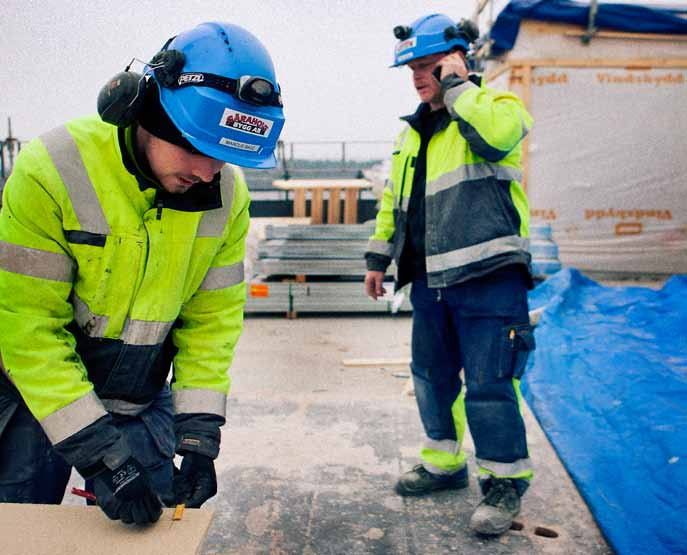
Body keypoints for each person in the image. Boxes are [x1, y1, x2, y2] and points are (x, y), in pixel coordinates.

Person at [0, 21, 284, 525]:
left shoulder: (226, 197)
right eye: (198, 150)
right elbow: (25, 325)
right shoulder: (52, 170)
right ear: (148, 114)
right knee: (19, 520)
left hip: (138, 393)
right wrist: (99, 453)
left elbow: (211, 321)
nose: (208, 174)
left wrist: (198, 434)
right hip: (33, 393)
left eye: (224, 159)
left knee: (148, 521)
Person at [364, 14, 536, 536]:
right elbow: (396, 203)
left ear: (457, 60)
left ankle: (504, 483)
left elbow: (500, 135)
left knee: (489, 385)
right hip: (431, 283)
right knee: (432, 380)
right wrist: (379, 259)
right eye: (412, 67)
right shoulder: (411, 134)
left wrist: (460, 85)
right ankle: (444, 462)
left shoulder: (497, 108)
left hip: (489, 278)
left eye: (427, 65)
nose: (419, 76)